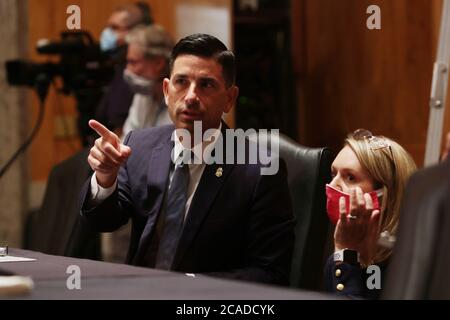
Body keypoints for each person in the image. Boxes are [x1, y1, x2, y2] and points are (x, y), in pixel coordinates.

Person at [79, 34, 295, 285]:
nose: (191, 96)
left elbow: (271, 273)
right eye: (181, 82)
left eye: (206, 85)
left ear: (230, 99)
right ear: (166, 91)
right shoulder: (139, 145)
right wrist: (105, 178)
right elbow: (102, 221)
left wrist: (188, 285)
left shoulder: (260, 170)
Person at [324, 129, 416, 299]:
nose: (332, 185)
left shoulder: (409, 266)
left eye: (350, 177)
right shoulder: (335, 254)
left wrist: (346, 253)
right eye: (333, 174)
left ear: (385, 196)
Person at [121, 24, 173, 139]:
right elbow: (127, 140)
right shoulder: (142, 95)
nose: (127, 70)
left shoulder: (183, 103)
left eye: (133, 62)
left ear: (159, 63)